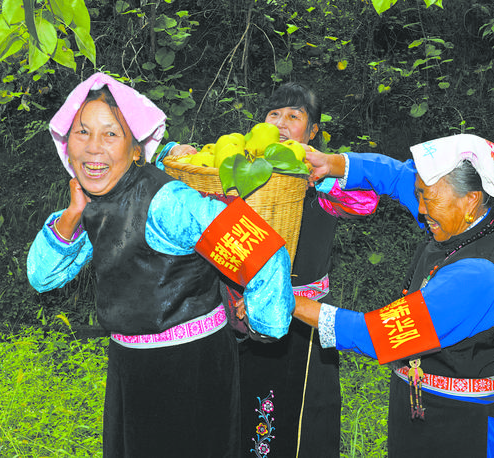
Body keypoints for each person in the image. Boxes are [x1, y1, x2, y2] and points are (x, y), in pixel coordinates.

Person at [26, 72, 295, 458]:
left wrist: (265, 323)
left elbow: (264, 251)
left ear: (137, 150)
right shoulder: (95, 203)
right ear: (66, 145)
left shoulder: (169, 203)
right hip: (130, 366)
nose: (93, 148)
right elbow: (41, 276)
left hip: (190, 368)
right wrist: (72, 215)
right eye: (82, 133)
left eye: (110, 134)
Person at [158, 82, 380, 457]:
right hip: (241, 315)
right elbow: (183, 169)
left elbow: (365, 202)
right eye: (274, 114)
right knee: (243, 407)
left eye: (294, 117)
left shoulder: (319, 184)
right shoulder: (243, 172)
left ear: (312, 132)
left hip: (303, 321)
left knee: (302, 416)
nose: (280, 123)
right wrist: (172, 149)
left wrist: (321, 170)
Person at [290, 133, 494, 457]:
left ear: (471, 199)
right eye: (418, 195)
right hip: (422, 406)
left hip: (461, 425)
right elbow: (395, 175)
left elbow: (380, 334)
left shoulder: (479, 278)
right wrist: (330, 163)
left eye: (427, 199)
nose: (419, 208)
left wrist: (290, 303)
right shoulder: (460, 216)